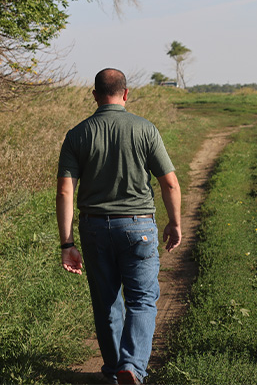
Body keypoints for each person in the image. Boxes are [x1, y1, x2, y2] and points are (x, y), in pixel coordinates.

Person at [56, 68, 182, 385]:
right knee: (141, 300)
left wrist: (67, 244)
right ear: (125, 94)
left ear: (95, 95)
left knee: (107, 301)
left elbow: (64, 191)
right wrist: (175, 222)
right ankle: (132, 366)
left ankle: (115, 370)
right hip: (138, 226)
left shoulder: (77, 134)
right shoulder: (146, 129)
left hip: (94, 228)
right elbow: (169, 184)